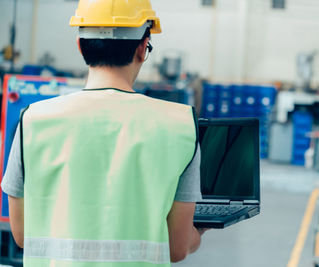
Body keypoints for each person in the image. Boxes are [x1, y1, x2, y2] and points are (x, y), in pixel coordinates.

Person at [1, 0, 206, 266]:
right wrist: (197, 233)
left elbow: (23, 235)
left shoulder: (33, 120)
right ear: (143, 49)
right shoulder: (181, 125)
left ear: (80, 46)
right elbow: (177, 248)